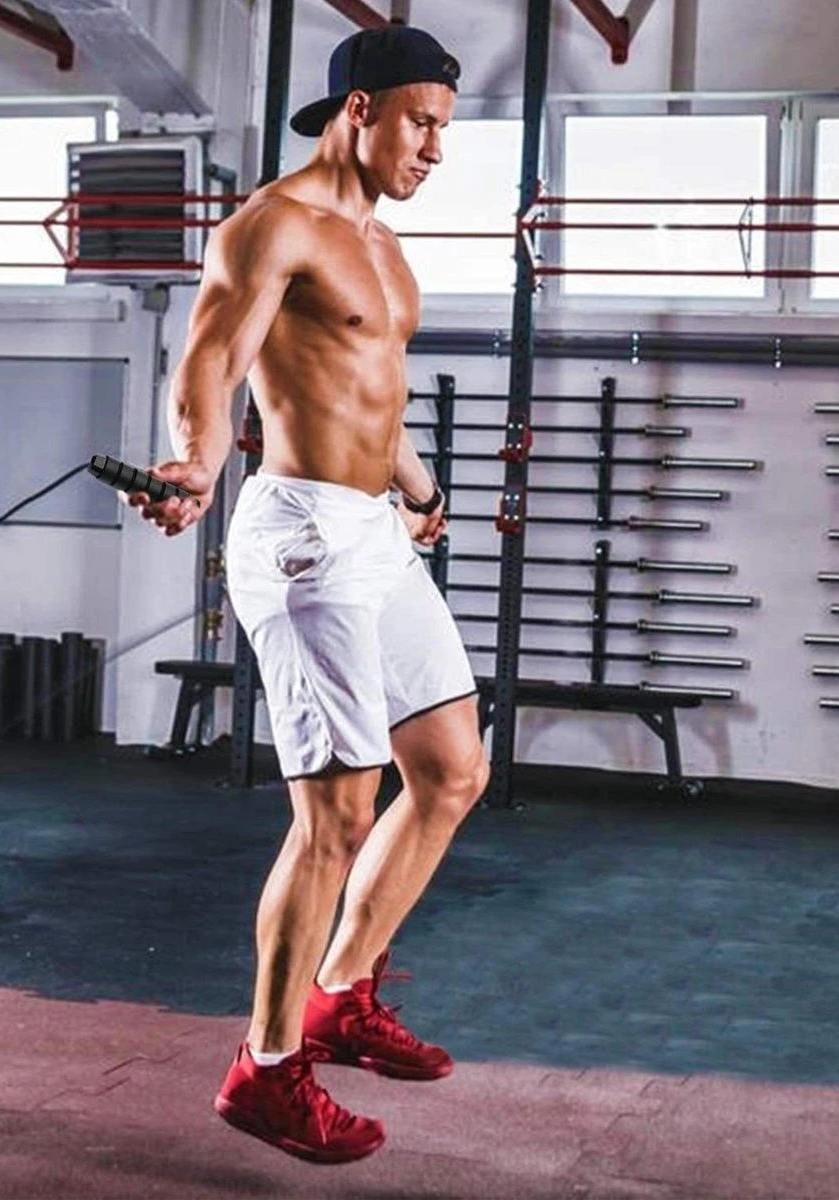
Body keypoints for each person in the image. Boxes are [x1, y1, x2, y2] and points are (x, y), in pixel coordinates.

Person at [124, 24, 490, 1165]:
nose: (436, 148)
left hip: (376, 527)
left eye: (444, 128)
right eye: (422, 121)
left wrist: (422, 489)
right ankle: (267, 1068)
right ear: (359, 109)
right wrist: (196, 461)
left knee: (451, 771)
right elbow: (212, 358)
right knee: (335, 813)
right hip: (303, 538)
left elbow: (372, 390)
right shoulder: (273, 223)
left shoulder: (381, 244)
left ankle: (341, 994)